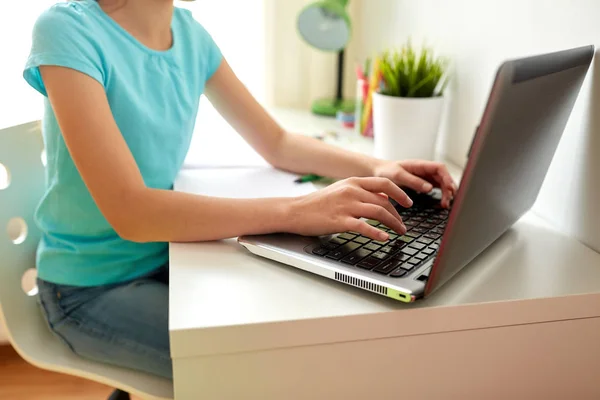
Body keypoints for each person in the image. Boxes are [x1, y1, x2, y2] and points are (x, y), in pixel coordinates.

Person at [24, 0, 457, 380]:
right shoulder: (68, 29)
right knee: (273, 373)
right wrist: (295, 210)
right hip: (90, 289)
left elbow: (277, 142)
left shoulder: (190, 34)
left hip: (172, 255)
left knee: (313, 334)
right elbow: (132, 213)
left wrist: (380, 166)